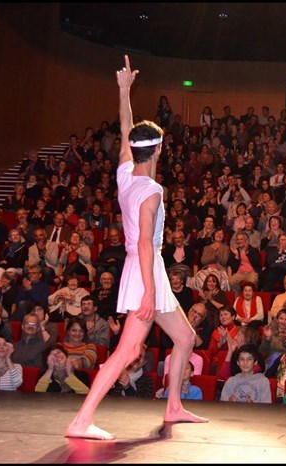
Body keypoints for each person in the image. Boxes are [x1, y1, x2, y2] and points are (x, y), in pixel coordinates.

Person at [67, 56, 206, 441]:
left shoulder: (126, 172)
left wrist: (124, 90)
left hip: (145, 267)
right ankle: (81, 420)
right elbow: (145, 243)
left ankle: (173, 405)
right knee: (127, 351)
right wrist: (148, 292)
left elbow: (127, 129)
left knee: (185, 338)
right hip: (145, 270)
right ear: (158, 150)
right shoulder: (152, 191)